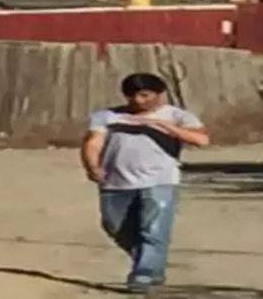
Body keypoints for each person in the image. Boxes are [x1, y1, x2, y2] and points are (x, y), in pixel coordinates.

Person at [82, 72, 210, 295]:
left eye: (144, 95)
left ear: (159, 94)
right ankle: (150, 261)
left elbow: (202, 140)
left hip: (160, 181)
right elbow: (93, 143)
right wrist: (92, 166)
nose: (138, 101)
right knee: (114, 226)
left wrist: (160, 125)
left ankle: (144, 274)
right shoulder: (107, 116)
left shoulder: (178, 116)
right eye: (132, 96)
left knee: (153, 229)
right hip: (115, 181)